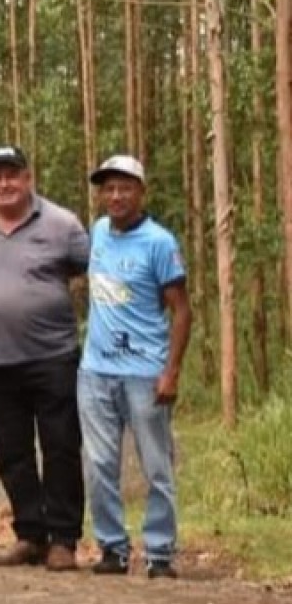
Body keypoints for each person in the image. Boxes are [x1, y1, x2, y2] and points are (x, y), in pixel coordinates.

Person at [0, 146, 90, 571]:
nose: (4, 184)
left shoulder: (62, 224)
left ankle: (64, 539)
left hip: (54, 357)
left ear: (29, 178)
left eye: (13, 175)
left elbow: (98, 271)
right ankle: (31, 534)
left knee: (61, 447)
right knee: (11, 454)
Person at [78, 155, 191, 579]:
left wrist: (171, 371)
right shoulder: (99, 233)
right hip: (95, 371)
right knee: (99, 463)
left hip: (145, 372)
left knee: (156, 465)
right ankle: (113, 547)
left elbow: (181, 311)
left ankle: (160, 551)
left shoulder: (159, 243)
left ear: (142, 191)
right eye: (108, 188)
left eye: (125, 187)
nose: (116, 195)